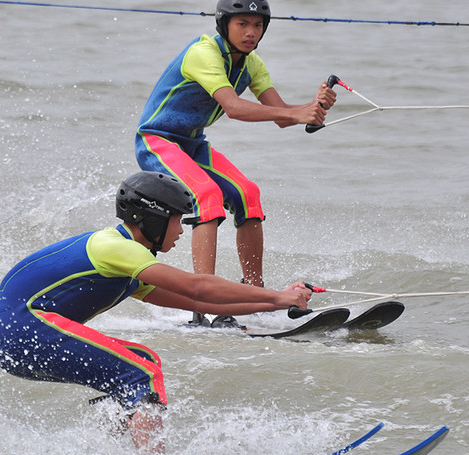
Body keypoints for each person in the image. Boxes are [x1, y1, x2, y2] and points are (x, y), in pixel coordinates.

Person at [0, 172, 313, 452]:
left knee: (139, 369)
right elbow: (198, 287)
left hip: (18, 338)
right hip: (26, 330)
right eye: (177, 221)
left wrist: (278, 300)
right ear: (154, 220)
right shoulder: (114, 247)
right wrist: (276, 295)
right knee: (141, 372)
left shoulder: (126, 266)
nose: (181, 231)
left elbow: (202, 305)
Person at [134, 0, 335, 328]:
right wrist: (297, 112)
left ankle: (254, 296)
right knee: (207, 195)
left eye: (257, 25)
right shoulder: (204, 53)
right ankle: (202, 306)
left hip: (192, 144)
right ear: (224, 24)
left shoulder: (252, 64)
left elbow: (282, 116)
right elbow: (234, 107)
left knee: (248, 194)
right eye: (242, 24)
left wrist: (314, 106)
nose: (251, 32)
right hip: (157, 140)